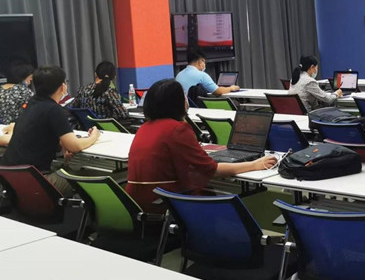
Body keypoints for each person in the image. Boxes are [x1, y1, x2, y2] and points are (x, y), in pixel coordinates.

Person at [126, 79, 277, 213]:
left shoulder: (144, 128)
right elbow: (212, 170)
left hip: (138, 202)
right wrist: (254, 164)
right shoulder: (177, 129)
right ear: (176, 103)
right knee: (216, 195)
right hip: (164, 202)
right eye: (184, 96)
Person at [0, 66, 101, 196]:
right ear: (62, 87)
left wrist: (62, 144)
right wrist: (94, 136)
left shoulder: (32, 104)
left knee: (66, 167)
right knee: (91, 175)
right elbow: (75, 146)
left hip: (11, 178)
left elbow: (40, 137)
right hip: (34, 181)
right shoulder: (54, 110)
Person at [176, 50, 240, 96]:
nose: (204, 64)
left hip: (182, 108)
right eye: (204, 62)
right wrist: (231, 88)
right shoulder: (201, 75)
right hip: (197, 108)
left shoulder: (179, 75)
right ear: (200, 62)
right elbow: (218, 91)